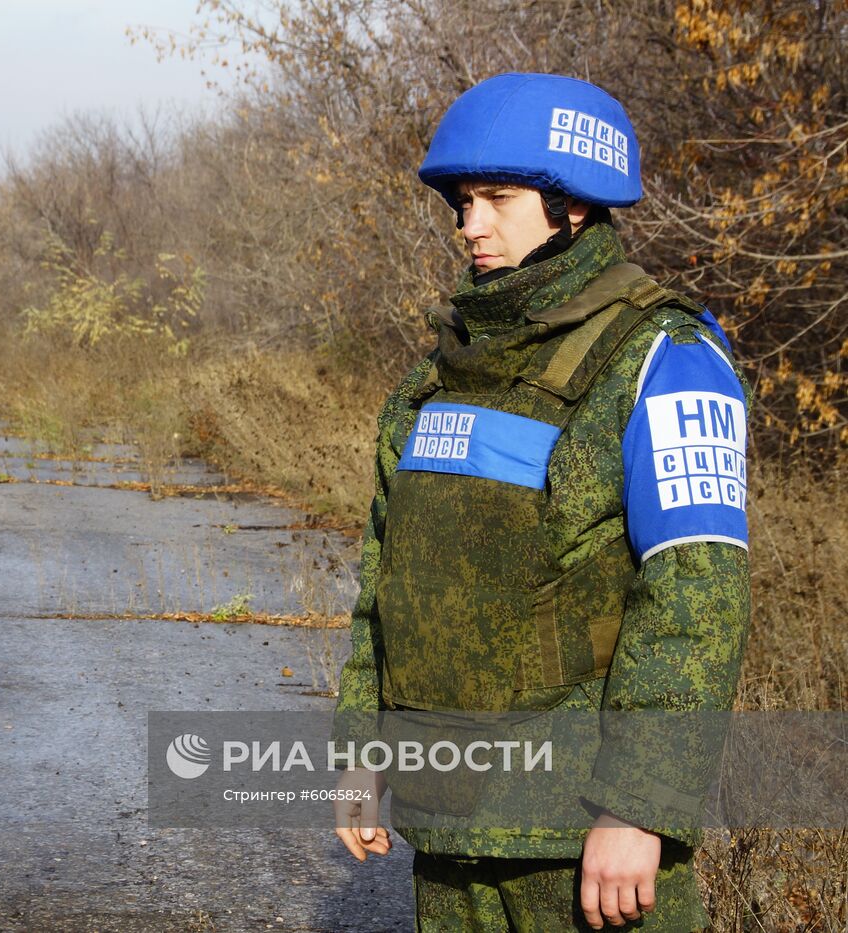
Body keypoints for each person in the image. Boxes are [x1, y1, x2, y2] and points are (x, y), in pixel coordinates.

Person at [329, 73, 753, 931]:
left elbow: (695, 596)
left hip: (585, 841)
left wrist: (641, 804)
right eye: (461, 201)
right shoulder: (435, 382)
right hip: (448, 824)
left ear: (575, 206)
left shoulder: (662, 359)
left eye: (497, 198)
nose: (469, 225)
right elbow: (390, 583)